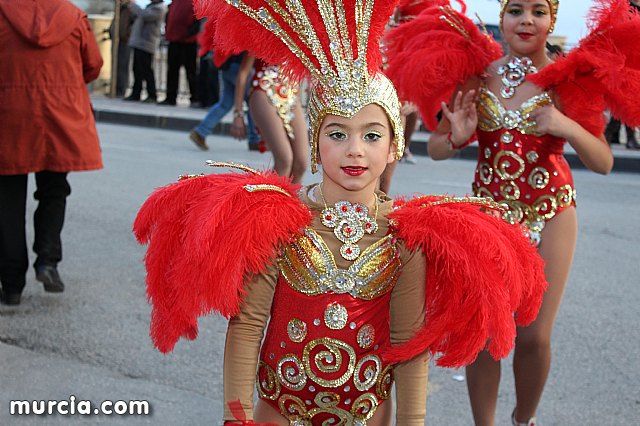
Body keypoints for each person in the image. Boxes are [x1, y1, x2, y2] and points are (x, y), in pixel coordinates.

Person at [134, 0, 548, 423]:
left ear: (394, 147)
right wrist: (235, 418)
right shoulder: (278, 218)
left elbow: (409, 346)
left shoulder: (406, 235)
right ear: (314, 143)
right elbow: (247, 327)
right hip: (278, 412)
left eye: (372, 135)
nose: (355, 149)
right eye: (337, 133)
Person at [385, 0, 640, 424]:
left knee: (533, 336)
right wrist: (458, 137)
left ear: (552, 20)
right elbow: (435, 148)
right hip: (490, 217)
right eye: (515, 10)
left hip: (551, 209)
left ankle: (525, 418)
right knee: (483, 332)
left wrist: (566, 126)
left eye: (538, 11)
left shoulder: (566, 80)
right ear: (501, 18)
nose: (526, 20)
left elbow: (604, 161)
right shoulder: (479, 76)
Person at [0, 0, 103, 306]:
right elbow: (94, 65)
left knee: (7, 199)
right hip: (59, 116)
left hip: (10, 117)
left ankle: (12, 283)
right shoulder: (73, 16)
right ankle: (47, 261)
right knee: (54, 191)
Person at [229, 54, 309, 184]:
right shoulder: (261, 34)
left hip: (291, 94)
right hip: (264, 90)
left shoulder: (305, 34)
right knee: (285, 159)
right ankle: (269, 203)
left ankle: (290, 203)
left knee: (301, 163)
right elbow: (243, 73)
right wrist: (238, 113)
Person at [189, 52, 261, 151]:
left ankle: (201, 131)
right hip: (242, 67)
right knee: (252, 102)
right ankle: (255, 139)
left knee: (225, 103)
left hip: (228, 66)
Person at [158, 0, 200, 106]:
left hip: (188, 42)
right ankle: (170, 97)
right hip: (174, 41)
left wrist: (187, 34)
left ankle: (195, 97)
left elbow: (197, 22)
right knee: (172, 70)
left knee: (191, 71)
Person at [124, 0, 167, 103]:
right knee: (137, 69)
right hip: (139, 42)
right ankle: (136, 92)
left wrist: (133, 5)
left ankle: (152, 94)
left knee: (146, 70)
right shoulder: (150, 6)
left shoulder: (159, 8)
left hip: (146, 43)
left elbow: (143, 15)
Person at [109, 0, 135, 97]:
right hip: (118, 40)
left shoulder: (131, 9)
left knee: (122, 66)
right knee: (116, 66)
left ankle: (121, 89)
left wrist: (127, 35)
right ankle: (115, 88)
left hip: (124, 41)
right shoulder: (120, 9)